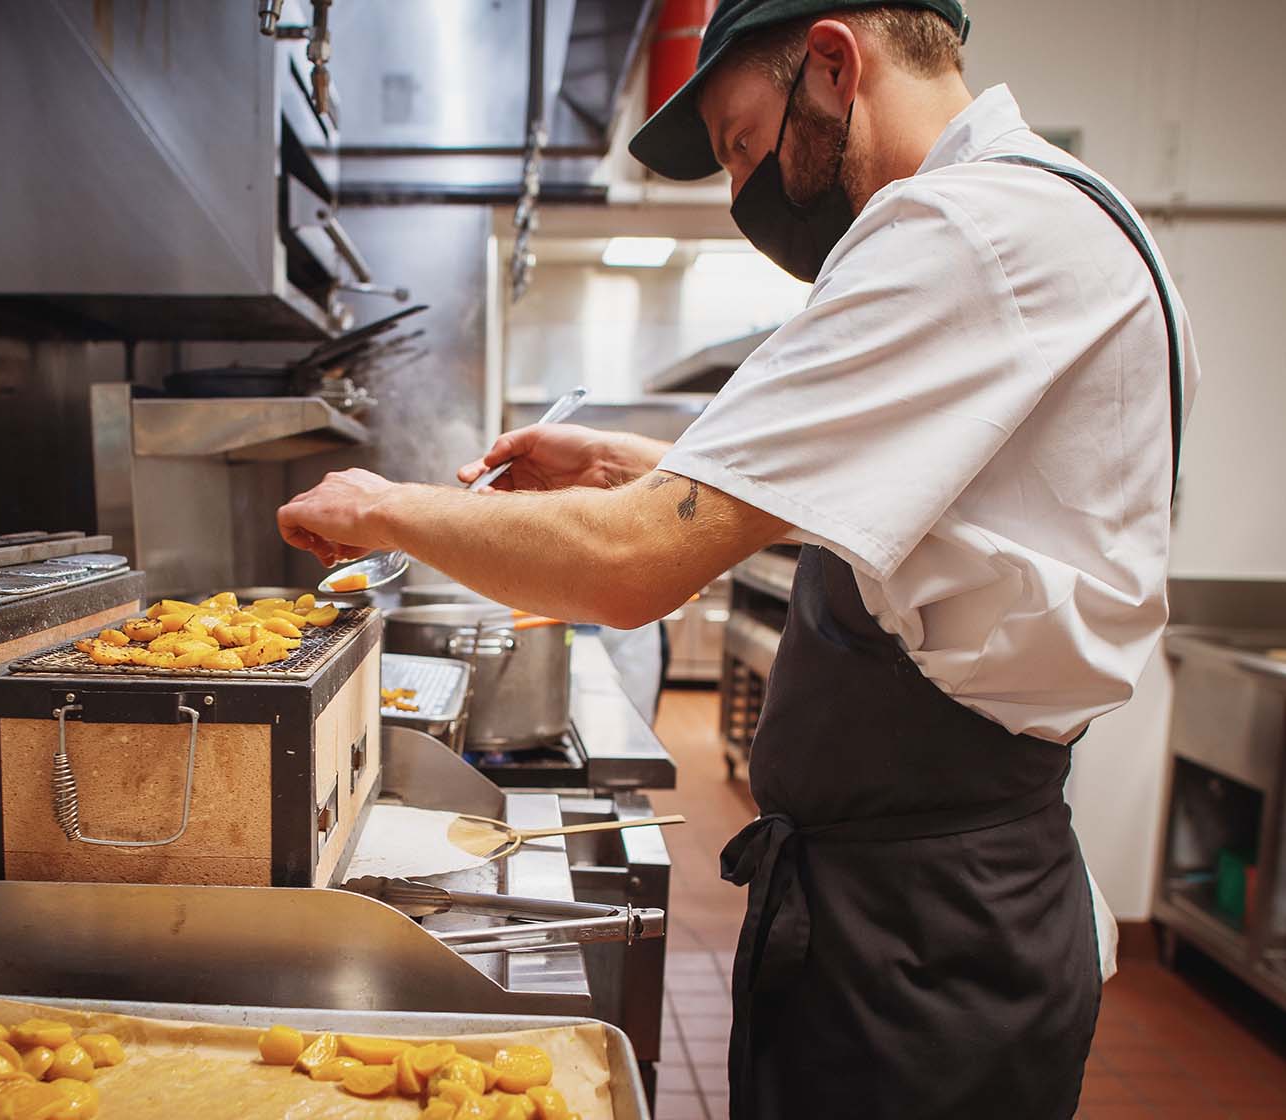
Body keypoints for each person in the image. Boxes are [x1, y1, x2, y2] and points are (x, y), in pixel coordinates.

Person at [277, 0, 1197, 1115]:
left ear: (829, 62)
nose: (737, 191)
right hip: (939, 900)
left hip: (919, 935)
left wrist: (381, 505)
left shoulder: (958, 232)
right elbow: (940, 519)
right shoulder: (1062, 215)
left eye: (741, 145)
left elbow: (627, 571)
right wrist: (634, 462)